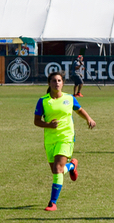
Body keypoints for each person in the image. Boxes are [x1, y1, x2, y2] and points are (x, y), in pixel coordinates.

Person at [34, 71, 96, 211]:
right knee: (57, 171)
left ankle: (53, 203)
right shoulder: (43, 100)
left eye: (59, 80)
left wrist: (89, 119)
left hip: (66, 137)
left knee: (57, 169)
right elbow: (36, 121)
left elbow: (79, 110)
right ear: (49, 83)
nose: (57, 83)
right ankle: (72, 166)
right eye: (54, 80)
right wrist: (48, 125)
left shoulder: (69, 98)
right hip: (50, 139)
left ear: (63, 83)